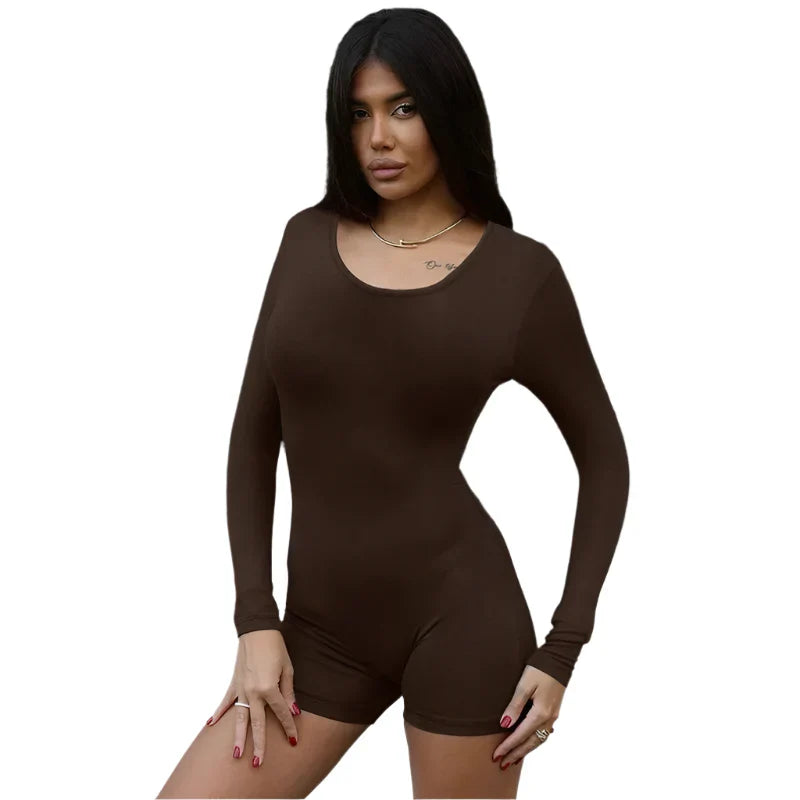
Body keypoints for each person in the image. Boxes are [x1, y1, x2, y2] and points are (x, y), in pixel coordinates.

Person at [158, 8, 629, 799]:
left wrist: (563, 648)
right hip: (315, 636)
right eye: (358, 113)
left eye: (403, 108)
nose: (379, 137)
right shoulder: (305, 240)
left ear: (448, 109)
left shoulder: (520, 276)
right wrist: (254, 618)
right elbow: (253, 435)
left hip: (461, 622)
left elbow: (605, 458)